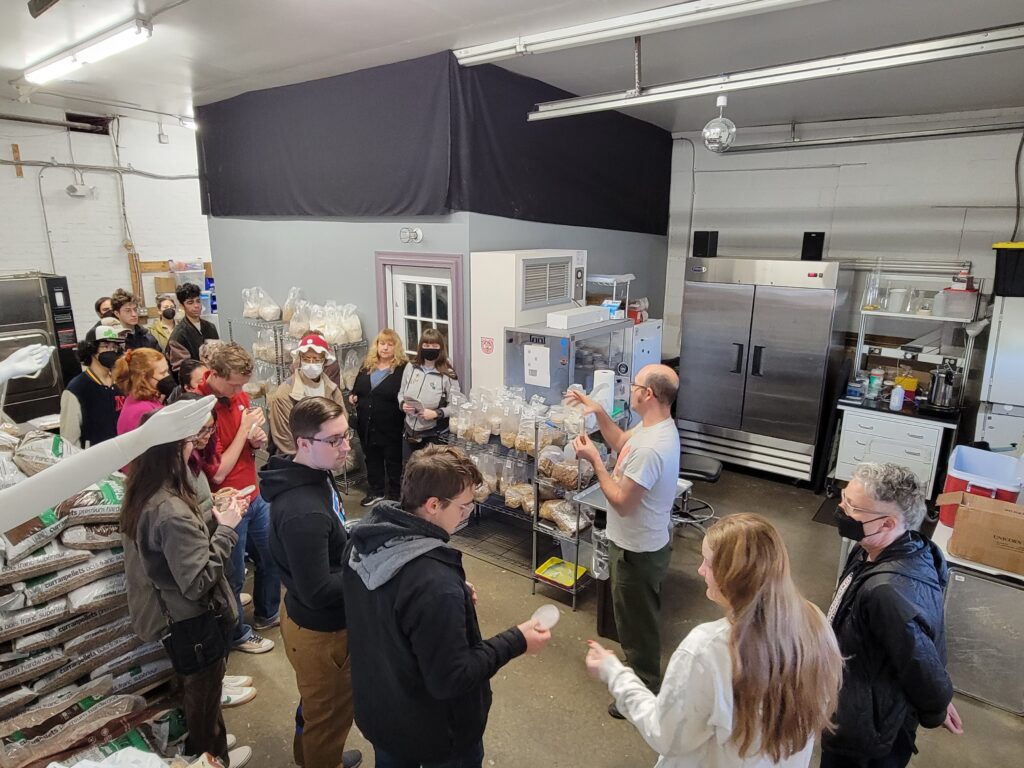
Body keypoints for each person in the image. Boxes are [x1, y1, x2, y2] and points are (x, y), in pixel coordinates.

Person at [342, 444, 550, 768]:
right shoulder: (434, 585)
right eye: (464, 507)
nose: (466, 515)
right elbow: (451, 677)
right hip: (437, 736)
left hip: (381, 713)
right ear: (433, 505)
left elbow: (386, 603)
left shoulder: (364, 541)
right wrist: (518, 640)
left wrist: (447, 596)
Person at [586, 513, 842, 767]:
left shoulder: (708, 648)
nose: (700, 570)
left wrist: (615, 674)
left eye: (708, 563)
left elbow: (666, 735)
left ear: (733, 575)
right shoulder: (815, 622)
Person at [120, 412, 252, 768]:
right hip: (190, 621)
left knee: (201, 695)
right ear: (172, 449)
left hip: (173, 617)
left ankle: (213, 749)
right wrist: (227, 529)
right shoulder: (169, 509)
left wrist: (213, 515)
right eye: (189, 441)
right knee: (204, 698)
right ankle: (210, 756)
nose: (195, 445)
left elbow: (175, 547)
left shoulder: (144, 492)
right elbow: (197, 582)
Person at [822, 463, 962, 768]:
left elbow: (919, 658)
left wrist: (936, 704)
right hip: (861, 697)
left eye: (853, 507)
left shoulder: (888, 592)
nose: (841, 509)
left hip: (867, 730)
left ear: (887, 524)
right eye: (844, 497)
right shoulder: (882, 549)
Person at [569, 363, 681, 717]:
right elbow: (620, 442)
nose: (630, 388)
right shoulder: (653, 427)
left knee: (637, 626)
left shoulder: (653, 448)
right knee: (632, 618)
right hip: (634, 543)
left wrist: (594, 463)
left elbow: (620, 500)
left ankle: (644, 690)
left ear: (647, 393)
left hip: (638, 551)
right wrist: (599, 412)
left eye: (634, 384)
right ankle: (639, 678)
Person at [260, 397, 363, 768]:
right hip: (323, 635)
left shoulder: (311, 473)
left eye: (346, 435)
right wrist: (372, 572)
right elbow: (319, 592)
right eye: (334, 440)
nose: (346, 446)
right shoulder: (302, 510)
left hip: (303, 616)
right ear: (303, 443)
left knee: (316, 705)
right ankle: (323, 759)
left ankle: (314, 758)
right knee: (329, 717)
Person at [196, 342, 280, 653]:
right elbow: (217, 473)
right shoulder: (202, 408)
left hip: (253, 492)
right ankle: (236, 634)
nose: (239, 391)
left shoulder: (238, 394)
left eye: (243, 385)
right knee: (231, 573)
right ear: (214, 375)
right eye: (234, 384)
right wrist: (246, 429)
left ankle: (267, 612)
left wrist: (255, 440)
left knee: (271, 556)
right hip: (227, 503)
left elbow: (248, 447)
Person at [349, 328, 407, 506]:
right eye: (382, 343)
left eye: (390, 344)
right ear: (377, 346)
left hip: (390, 425)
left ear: (396, 348)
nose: (385, 348)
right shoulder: (367, 366)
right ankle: (376, 491)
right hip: (366, 424)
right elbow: (357, 388)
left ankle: (395, 495)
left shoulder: (402, 369)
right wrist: (353, 396)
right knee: (372, 459)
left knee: (393, 461)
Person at [269, 333, 347, 457]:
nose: (311, 363)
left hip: (327, 457)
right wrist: (307, 460)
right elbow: (285, 437)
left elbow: (342, 425)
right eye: (306, 359)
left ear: (324, 361)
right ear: (300, 359)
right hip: (297, 462)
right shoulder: (285, 393)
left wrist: (331, 453)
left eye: (316, 360)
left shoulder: (332, 390)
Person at [59, 321, 128, 448]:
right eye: (105, 346)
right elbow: (69, 439)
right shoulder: (77, 388)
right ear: (91, 349)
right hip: (95, 458)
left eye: (114, 347)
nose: (111, 351)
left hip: (123, 454)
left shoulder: (120, 382)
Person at [397, 328, 460, 462]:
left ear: (440, 348)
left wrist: (437, 413)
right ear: (421, 347)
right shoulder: (411, 367)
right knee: (408, 472)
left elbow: (457, 406)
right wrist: (403, 405)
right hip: (410, 433)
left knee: (430, 475)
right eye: (426, 345)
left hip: (433, 435)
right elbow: (401, 393)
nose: (429, 348)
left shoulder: (448, 374)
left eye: (434, 346)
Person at [114, 348, 175, 435]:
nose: (167, 376)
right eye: (162, 373)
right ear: (143, 378)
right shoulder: (143, 411)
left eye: (167, 371)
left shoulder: (147, 400)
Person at [169, 282, 220, 361]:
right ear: (182, 306)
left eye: (198, 301)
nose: (196, 306)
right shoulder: (179, 335)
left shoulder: (210, 327)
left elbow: (218, 355)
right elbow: (182, 367)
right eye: (190, 302)